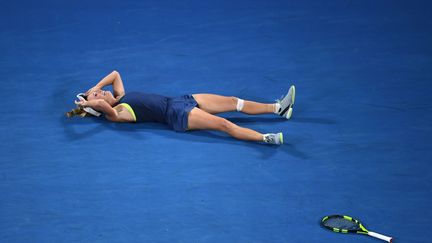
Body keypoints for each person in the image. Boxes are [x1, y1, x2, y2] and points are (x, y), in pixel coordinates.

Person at [66, 71, 295, 145]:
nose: (100, 92)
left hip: (180, 100)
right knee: (224, 124)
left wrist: (93, 87)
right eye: (98, 95)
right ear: (99, 107)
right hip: (177, 115)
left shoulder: (120, 96)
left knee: (234, 101)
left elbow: (115, 73)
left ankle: (278, 108)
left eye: (97, 91)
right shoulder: (118, 114)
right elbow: (101, 107)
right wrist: (88, 103)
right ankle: (266, 138)